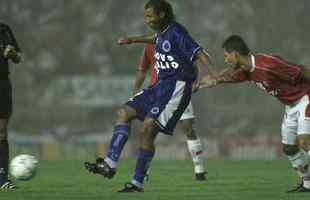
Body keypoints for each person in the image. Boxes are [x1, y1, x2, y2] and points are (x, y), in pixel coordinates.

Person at [84, 0, 215, 192]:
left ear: (161, 14)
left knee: (147, 129)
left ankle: (137, 183)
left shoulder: (177, 32)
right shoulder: (162, 32)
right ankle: (109, 163)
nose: (147, 20)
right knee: (124, 112)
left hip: (176, 88)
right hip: (159, 86)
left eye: (149, 16)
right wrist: (133, 39)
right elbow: (155, 38)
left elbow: (200, 53)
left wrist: (213, 74)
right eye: (146, 16)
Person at [199, 35, 310, 193]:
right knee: (289, 148)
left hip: (305, 98)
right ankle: (307, 184)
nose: (225, 60)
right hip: (290, 106)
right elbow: (222, 77)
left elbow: (302, 71)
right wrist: (200, 84)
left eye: (226, 56)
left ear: (235, 54)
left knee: (305, 142)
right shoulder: (247, 70)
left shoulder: (267, 64)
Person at [133, 43, 206, 181]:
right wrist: (136, 90)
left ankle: (199, 169)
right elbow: (142, 69)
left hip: (179, 89)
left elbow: (194, 64)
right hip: (156, 92)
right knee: (148, 130)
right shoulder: (149, 47)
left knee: (188, 127)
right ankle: (143, 172)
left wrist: (195, 82)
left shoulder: (178, 42)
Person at [0, 23, 22, 189]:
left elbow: (18, 58)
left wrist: (13, 54)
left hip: (2, 83)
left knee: (1, 131)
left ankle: (2, 179)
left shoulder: (4, 29)